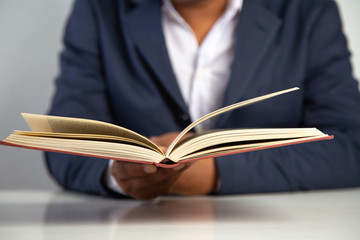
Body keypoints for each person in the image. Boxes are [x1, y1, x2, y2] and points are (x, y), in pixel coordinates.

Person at [45, 0, 360, 199]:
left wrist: (220, 172)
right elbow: (63, 142)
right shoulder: (98, 9)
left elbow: (350, 146)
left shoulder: (308, 10)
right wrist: (117, 174)